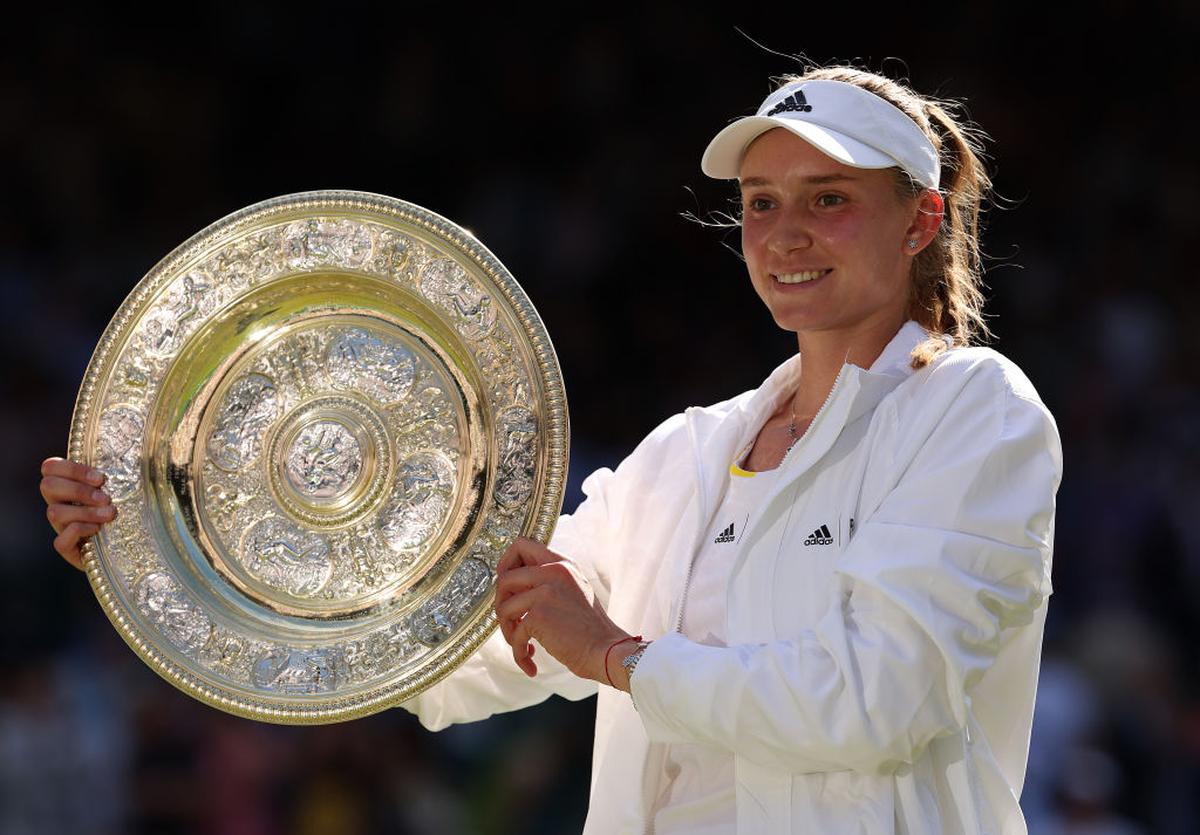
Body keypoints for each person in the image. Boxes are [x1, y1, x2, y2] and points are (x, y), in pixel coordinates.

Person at [41, 66, 1061, 834]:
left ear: (921, 220)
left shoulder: (976, 412)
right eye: (761, 202)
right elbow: (463, 653)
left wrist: (615, 655)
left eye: (828, 198)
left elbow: (877, 703)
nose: (785, 233)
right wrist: (171, 541)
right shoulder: (683, 455)